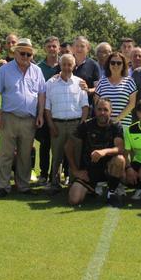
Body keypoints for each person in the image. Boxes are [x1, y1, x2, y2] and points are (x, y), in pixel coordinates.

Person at [0, 38, 46, 197]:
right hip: (9, 117)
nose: (25, 56)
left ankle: (23, 185)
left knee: (24, 155)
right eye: (22, 53)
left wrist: (40, 114)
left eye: (28, 54)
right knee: (6, 154)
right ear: (15, 53)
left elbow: (42, 94)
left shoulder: (37, 70)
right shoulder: (4, 70)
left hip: (29, 118)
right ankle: (2, 186)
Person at [67, 97, 126, 207]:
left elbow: (120, 148)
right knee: (73, 200)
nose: (102, 112)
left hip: (108, 170)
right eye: (99, 109)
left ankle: (111, 192)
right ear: (94, 110)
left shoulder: (116, 126)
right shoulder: (86, 125)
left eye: (105, 110)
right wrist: (75, 171)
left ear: (111, 111)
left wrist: (103, 152)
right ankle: (92, 189)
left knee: (120, 159)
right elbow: (68, 147)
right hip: (88, 172)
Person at [44, 54, 90, 192]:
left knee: (75, 156)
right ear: (60, 65)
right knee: (56, 155)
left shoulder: (80, 83)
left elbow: (85, 106)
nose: (66, 67)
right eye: (64, 64)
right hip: (57, 124)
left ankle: (73, 183)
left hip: (75, 124)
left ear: (74, 66)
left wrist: (81, 125)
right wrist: (51, 125)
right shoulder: (50, 84)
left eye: (69, 64)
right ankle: (54, 183)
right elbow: (47, 108)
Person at [35, 36, 61, 184]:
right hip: (44, 111)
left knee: (59, 145)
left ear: (58, 48)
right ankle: (43, 174)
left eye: (54, 46)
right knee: (44, 144)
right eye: (49, 46)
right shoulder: (38, 67)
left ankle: (56, 174)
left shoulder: (64, 64)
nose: (52, 49)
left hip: (60, 111)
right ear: (45, 48)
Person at [94, 52, 137, 127]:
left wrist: (116, 120)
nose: (115, 65)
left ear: (123, 65)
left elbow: (132, 104)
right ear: (109, 64)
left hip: (123, 125)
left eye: (119, 63)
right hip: (104, 125)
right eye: (113, 63)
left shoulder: (129, 81)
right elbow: (96, 103)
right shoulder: (102, 81)